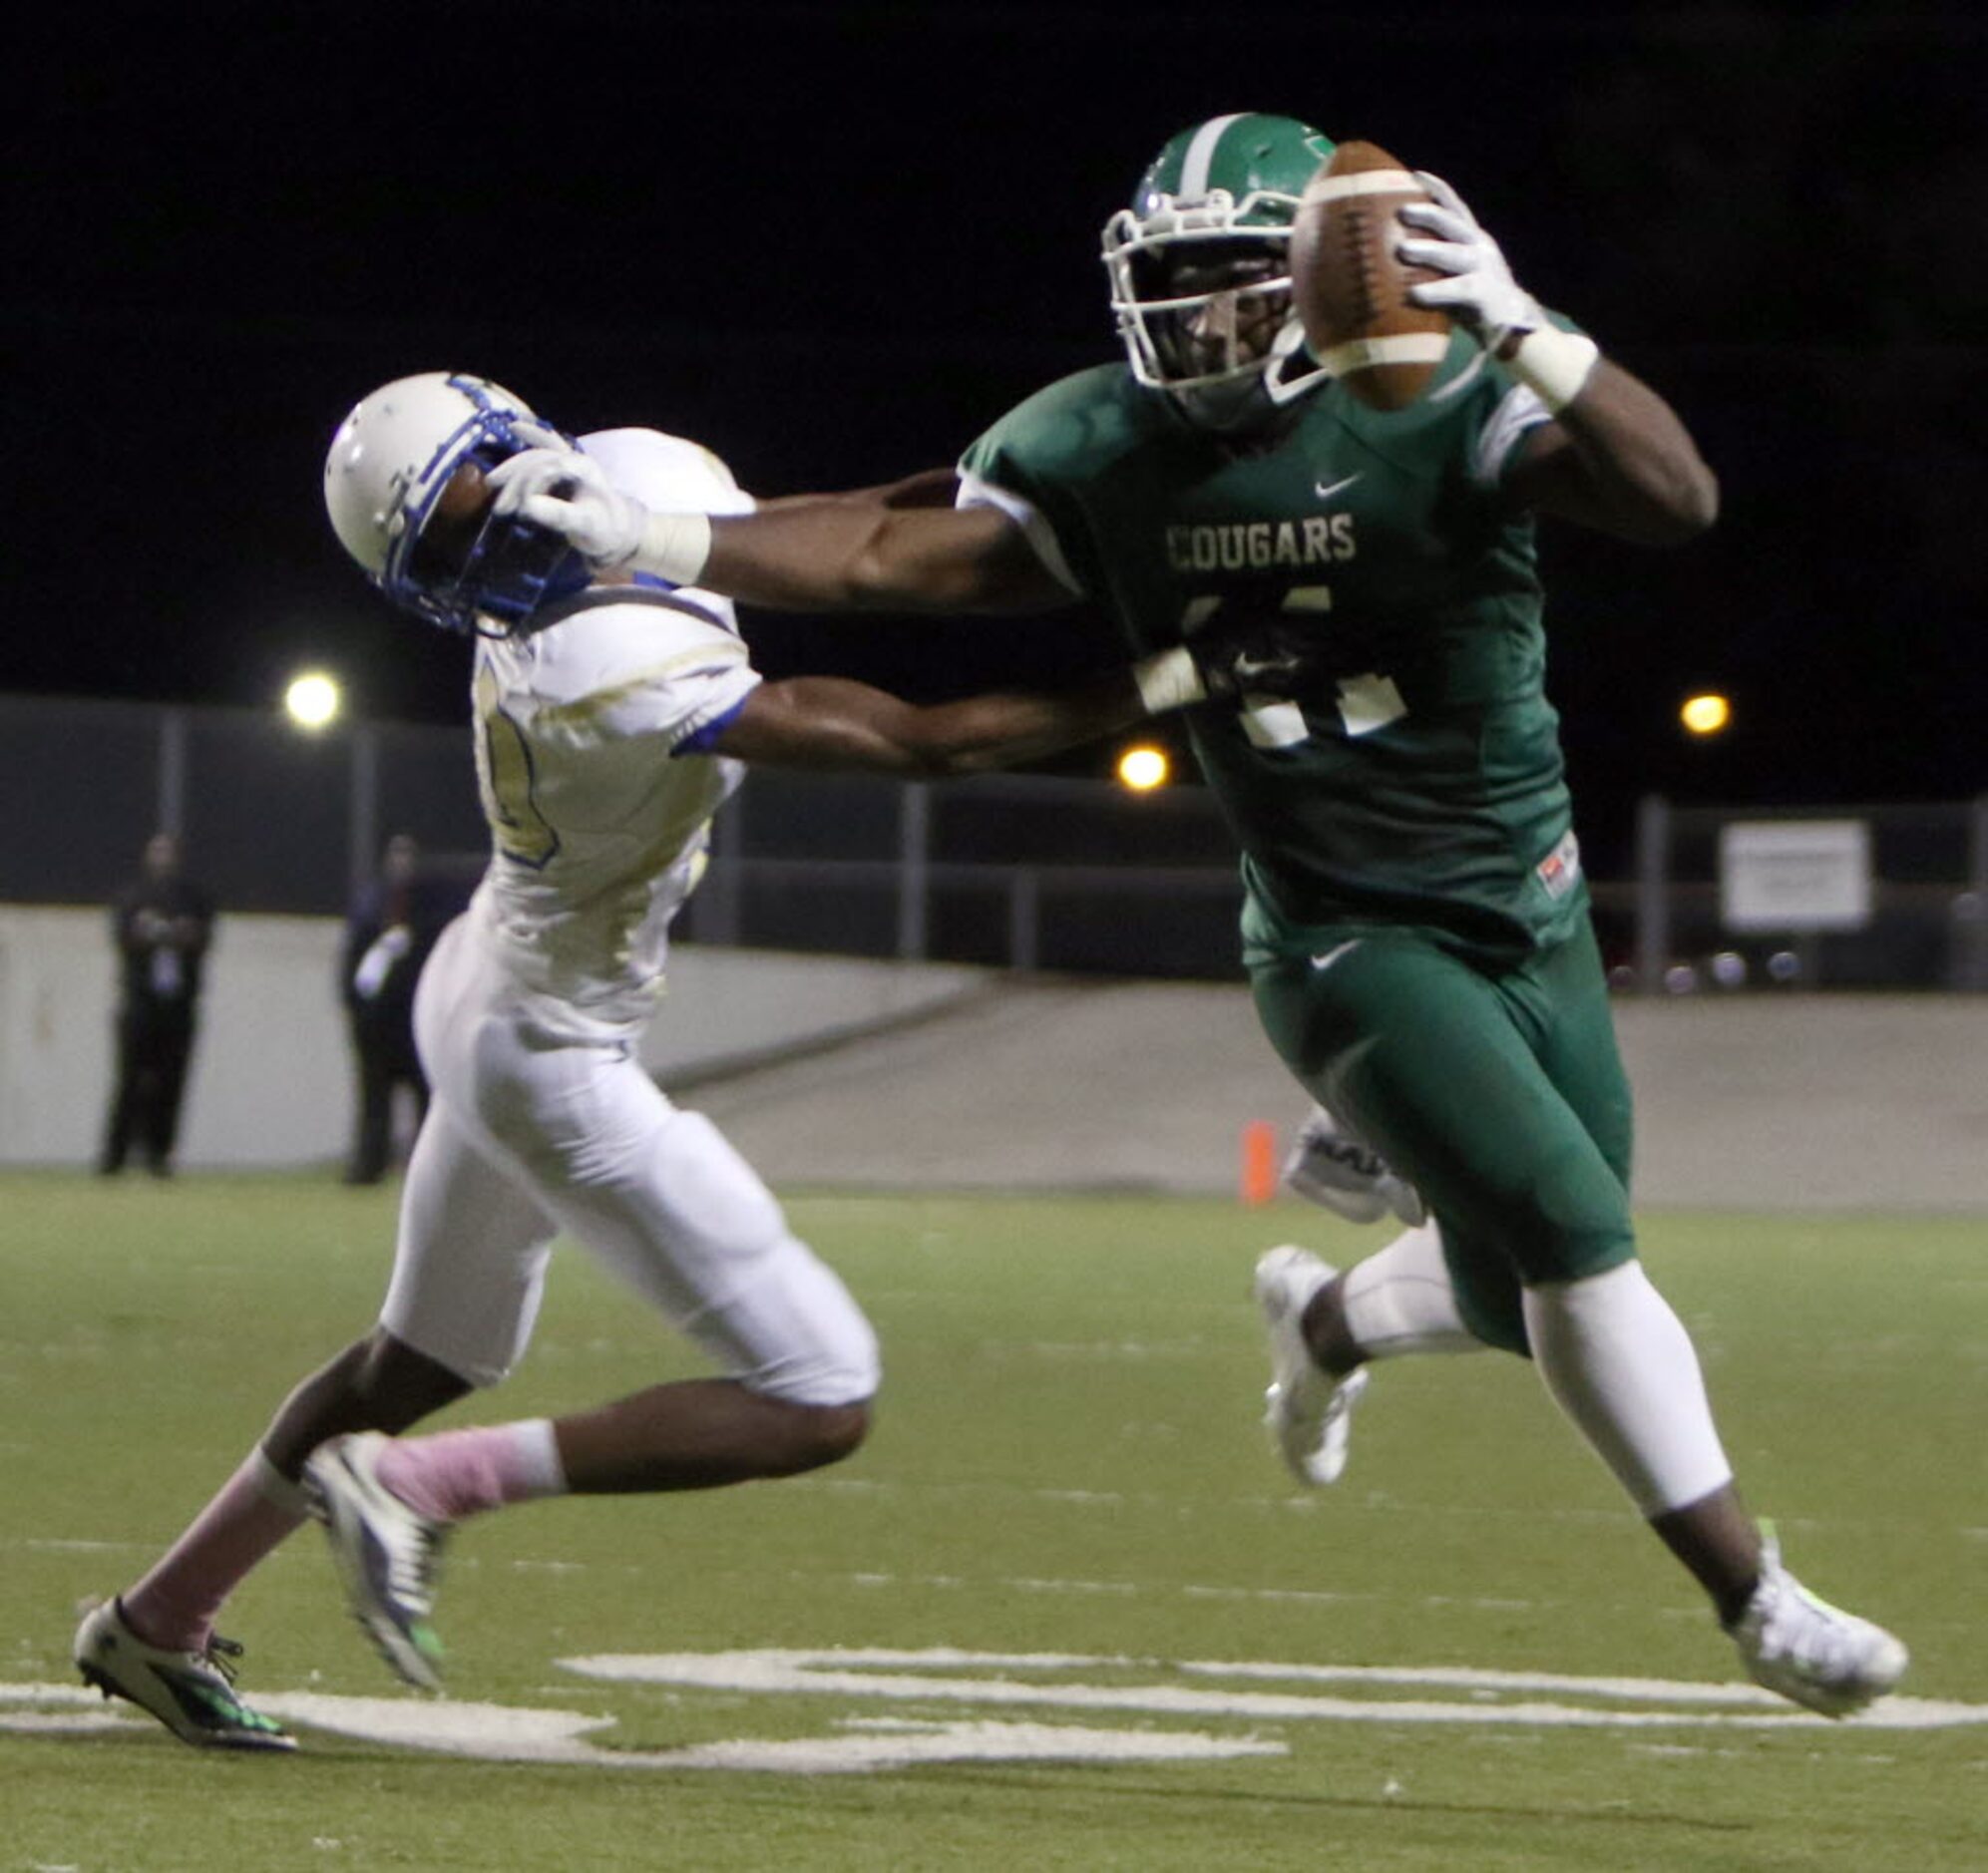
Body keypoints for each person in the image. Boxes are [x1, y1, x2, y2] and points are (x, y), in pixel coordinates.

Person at [487, 113, 1908, 1717]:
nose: (1196, 322)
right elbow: (888, 548)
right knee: (1584, 1250)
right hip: (1339, 933)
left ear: (1318, 279)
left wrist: (1525, 327)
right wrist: (653, 538)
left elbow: (1678, 499)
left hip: (1530, 896)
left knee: (1523, 1295)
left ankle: (1329, 1319)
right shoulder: (1103, 443)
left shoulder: (1442, 392)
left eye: (1238, 283)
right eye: (1170, 285)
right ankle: (1754, 1596)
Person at [72, 370, 1327, 1749]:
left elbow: (848, 525)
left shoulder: (641, 474)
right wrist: (1165, 672)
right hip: (551, 1051)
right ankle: (424, 1489)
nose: (490, 544)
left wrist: (1050, 491)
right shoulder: (582, 670)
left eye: (486, 498)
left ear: (531, 443)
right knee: (820, 1391)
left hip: (490, 981)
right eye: (447, 545)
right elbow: (911, 743)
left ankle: (156, 1620)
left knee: (412, 1356)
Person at [339, 833, 460, 1185]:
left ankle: (426, 1172)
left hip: (416, 1019)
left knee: (425, 1098)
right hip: (376, 1022)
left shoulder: (431, 913)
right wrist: (355, 1007)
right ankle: (368, 1164)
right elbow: (352, 962)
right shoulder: (370, 906)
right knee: (373, 1096)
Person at [98, 830, 215, 1178]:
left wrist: (173, 933)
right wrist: (156, 934)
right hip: (139, 1004)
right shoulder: (133, 897)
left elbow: (202, 938)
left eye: (169, 852)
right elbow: (124, 937)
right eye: (157, 852)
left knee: (171, 1082)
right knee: (130, 1080)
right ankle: (114, 1154)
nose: (163, 859)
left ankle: (159, 1154)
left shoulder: (194, 898)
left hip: (178, 1006)